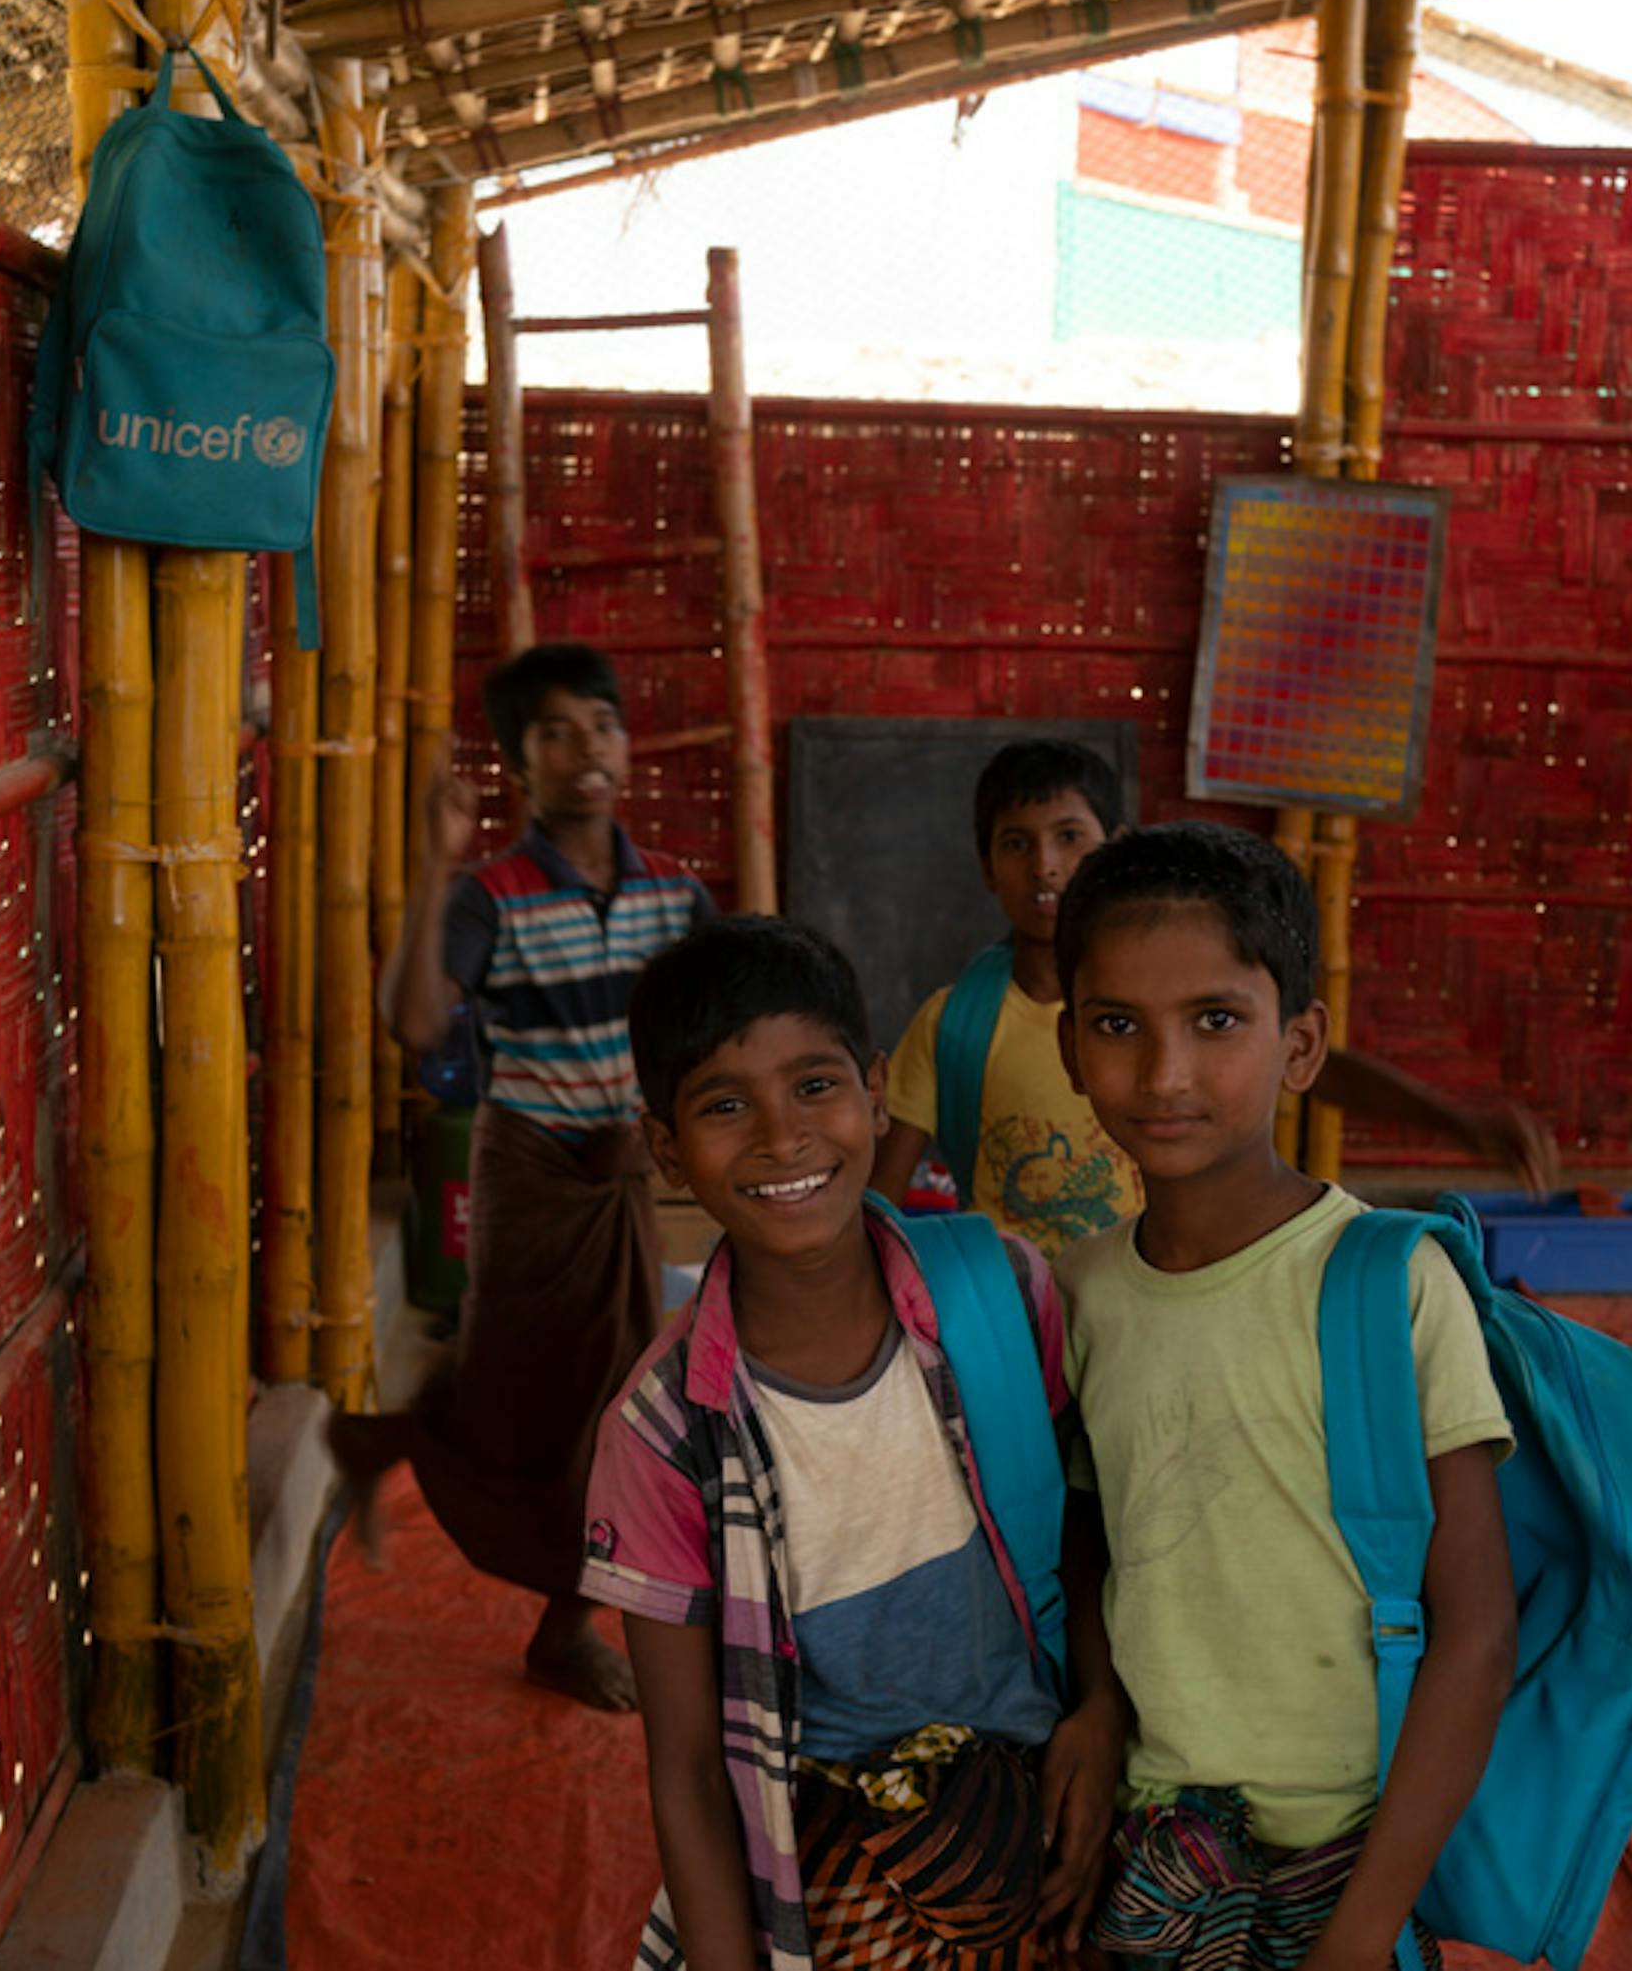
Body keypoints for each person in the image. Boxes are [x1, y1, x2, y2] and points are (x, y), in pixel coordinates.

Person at [581, 918, 1126, 1969]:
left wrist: (1101, 1711)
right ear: (665, 1152)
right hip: (832, 1866)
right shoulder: (662, 1434)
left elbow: (1084, 1530)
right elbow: (691, 1769)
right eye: (726, 1106)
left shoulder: (1002, 1294)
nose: (783, 1138)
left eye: (814, 1085)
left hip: (1049, 1822)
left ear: (877, 1092)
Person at [1049, 821, 1517, 1970]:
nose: (1163, 1074)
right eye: (1119, 1026)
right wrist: (1101, 1710)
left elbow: (1478, 1627)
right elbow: (1088, 1538)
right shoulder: (1077, 1294)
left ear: (1300, 1044)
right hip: (1158, 1846)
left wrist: (1362, 1930)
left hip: (1357, 1853)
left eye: (1216, 1022)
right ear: (1069, 1046)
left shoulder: (1386, 1283)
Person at [330, 642, 713, 1711]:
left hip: (620, 1181)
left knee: (618, 1406)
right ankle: (401, 1447)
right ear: (517, 764)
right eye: (555, 731)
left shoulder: (674, 900)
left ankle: (555, 1619)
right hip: (531, 1182)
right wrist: (435, 866)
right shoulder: (489, 899)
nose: (586, 747)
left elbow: (718, 1022)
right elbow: (413, 1023)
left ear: (627, 744)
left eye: (603, 721)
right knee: (531, 1400)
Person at [872, 739, 1558, 1258]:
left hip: (1169, 1277)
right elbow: (881, 1201)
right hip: (1022, 1330)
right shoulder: (955, 1023)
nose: (1045, 865)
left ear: (1112, 848)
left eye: (1069, 837)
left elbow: (1313, 1064)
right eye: (1016, 844)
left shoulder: (1363, 1269)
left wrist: (1454, 1121)